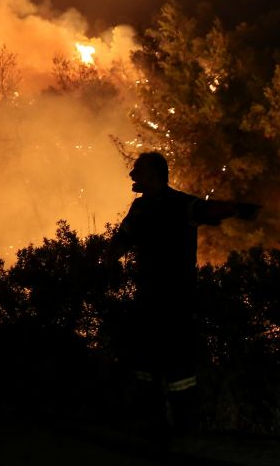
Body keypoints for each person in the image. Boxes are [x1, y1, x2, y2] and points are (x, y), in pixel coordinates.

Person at [110, 151, 259, 436]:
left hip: (176, 299)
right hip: (148, 297)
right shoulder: (140, 208)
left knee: (178, 364)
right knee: (145, 362)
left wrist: (235, 209)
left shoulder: (179, 204)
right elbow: (123, 239)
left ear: (154, 175)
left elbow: (206, 210)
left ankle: (185, 428)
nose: (132, 175)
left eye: (138, 170)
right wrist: (101, 264)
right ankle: (153, 424)